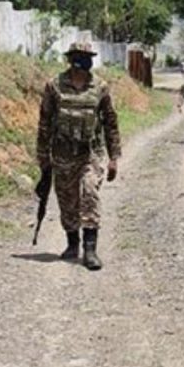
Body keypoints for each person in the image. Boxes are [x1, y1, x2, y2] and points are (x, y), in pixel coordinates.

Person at [36, 41, 121, 270]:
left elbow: (111, 123)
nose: (83, 61)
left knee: (89, 191)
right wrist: (43, 157)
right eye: (78, 57)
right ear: (70, 58)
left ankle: (90, 250)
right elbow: (44, 122)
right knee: (67, 199)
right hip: (63, 153)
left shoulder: (100, 87)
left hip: (90, 153)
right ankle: (72, 243)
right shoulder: (54, 86)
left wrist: (113, 158)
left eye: (87, 57)